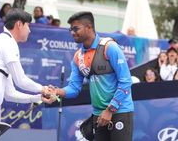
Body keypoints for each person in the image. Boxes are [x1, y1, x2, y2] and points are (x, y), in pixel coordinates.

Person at [48, 11, 134, 141]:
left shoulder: (109, 47)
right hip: (98, 115)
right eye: (71, 29)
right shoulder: (78, 56)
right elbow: (74, 88)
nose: (72, 32)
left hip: (119, 111)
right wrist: (57, 92)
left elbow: (126, 81)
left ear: (89, 27)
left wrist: (110, 109)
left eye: (75, 28)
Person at [0, 8, 55, 140]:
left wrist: (39, 97)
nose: (29, 30)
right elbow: (21, 80)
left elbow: (10, 95)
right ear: (19, 24)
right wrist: (43, 89)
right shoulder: (7, 42)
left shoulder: (2, 43)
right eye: (28, 26)